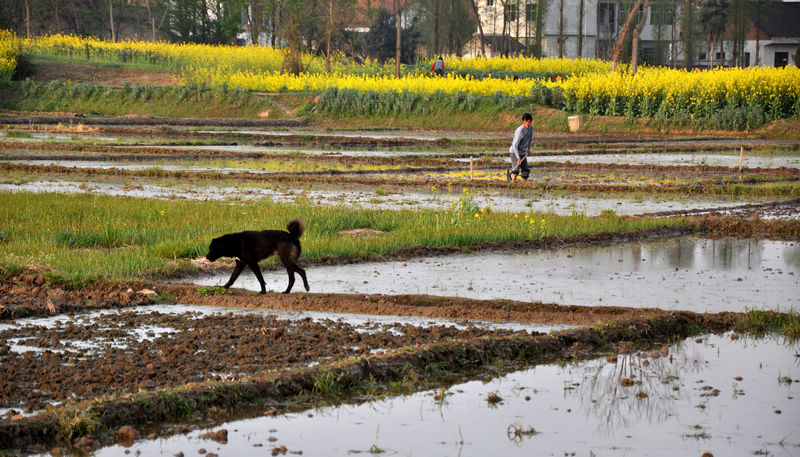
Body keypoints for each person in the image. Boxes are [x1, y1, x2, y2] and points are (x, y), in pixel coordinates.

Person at [507, 112, 533, 182]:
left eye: (529, 122)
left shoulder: (530, 128)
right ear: (524, 121)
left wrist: (528, 148)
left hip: (523, 152)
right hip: (515, 152)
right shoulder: (519, 131)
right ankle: (512, 184)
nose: (528, 124)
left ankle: (523, 187)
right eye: (527, 122)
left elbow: (530, 138)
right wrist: (518, 158)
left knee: (526, 171)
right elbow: (515, 145)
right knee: (516, 170)